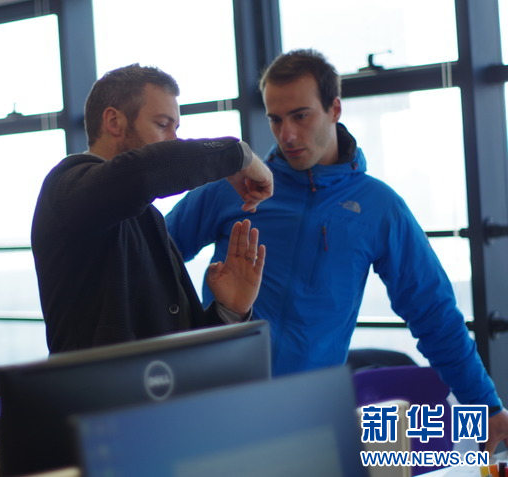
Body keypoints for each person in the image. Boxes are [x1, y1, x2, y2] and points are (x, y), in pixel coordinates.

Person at [165, 48, 508, 453]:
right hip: (215, 407)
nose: (286, 134)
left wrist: (486, 406)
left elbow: (433, 313)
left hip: (308, 419)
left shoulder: (379, 207)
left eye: (300, 116)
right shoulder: (235, 188)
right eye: (276, 119)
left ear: (335, 109)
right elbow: (150, 258)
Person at [31, 63, 273, 353]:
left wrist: (229, 310)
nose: (174, 141)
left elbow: (181, 350)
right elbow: (146, 169)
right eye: (162, 125)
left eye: (176, 128)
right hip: (96, 384)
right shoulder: (66, 188)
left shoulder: (149, 218)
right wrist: (239, 156)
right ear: (114, 121)